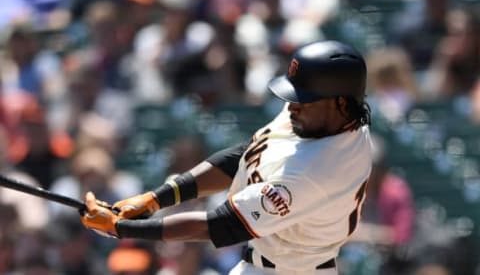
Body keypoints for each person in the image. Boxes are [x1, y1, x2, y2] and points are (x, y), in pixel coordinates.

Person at [79, 40, 373, 275]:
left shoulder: (320, 169)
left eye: (303, 100)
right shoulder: (321, 118)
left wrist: (122, 228)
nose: (292, 106)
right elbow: (245, 156)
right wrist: (156, 198)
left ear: (340, 104)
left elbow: (220, 225)